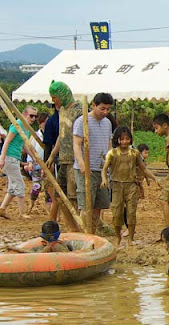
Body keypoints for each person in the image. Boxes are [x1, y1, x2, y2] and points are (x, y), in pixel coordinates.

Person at [101, 127, 159, 247]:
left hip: (131, 185)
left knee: (131, 213)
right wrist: (104, 179)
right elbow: (104, 169)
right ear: (117, 140)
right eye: (122, 139)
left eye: (127, 139)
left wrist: (155, 178)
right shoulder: (112, 153)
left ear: (131, 139)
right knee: (117, 213)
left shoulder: (134, 153)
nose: (124, 142)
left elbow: (143, 168)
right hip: (116, 185)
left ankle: (131, 239)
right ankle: (118, 238)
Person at [72, 93, 113, 233]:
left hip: (102, 170)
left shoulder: (107, 123)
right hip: (86, 169)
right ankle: (84, 234)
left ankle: (93, 234)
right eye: (102, 108)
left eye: (108, 109)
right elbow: (76, 145)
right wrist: (82, 164)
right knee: (86, 206)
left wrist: (109, 163)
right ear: (93, 105)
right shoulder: (82, 121)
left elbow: (108, 144)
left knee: (98, 206)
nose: (105, 112)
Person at [46, 81, 82, 231]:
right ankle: (71, 228)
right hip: (63, 159)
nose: (53, 101)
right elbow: (61, 136)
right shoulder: (61, 111)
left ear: (62, 95)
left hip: (75, 160)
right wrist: (52, 155)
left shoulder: (79, 111)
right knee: (60, 196)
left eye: (55, 97)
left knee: (73, 197)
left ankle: (80, 227)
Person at [0, 106, 38, 219]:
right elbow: (7, 141)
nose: (33, 119)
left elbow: (24, 145)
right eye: (31, 116)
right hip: (10, 157)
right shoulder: (17, 125)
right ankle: (22, 213)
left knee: (13, 187)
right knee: (20, 185)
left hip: (15, 158)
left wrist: (33, 156)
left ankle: (2, 209)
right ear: (24, 114)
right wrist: (2, 158)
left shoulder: (26, 129)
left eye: (35, 116)